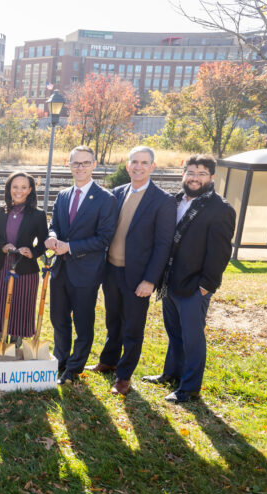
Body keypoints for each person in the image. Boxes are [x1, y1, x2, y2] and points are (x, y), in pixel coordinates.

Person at [144, 154, 235, 403]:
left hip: (195, 286)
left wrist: (206, 286)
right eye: (191, 173)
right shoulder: (175, 201)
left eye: (202, 174)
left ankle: (190, 388)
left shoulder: (221, 209)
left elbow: (220, 253)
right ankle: (171, 373)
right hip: (170, 281)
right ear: (183, 174)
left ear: (212, 177)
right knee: (174, 333)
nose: (195, 178)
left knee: (192, 338)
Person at [86, 146, 176, 395]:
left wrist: (150, 280)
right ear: (127, 166)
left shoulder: (163, 200)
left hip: (138, 276)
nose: (138, 167)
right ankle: (109, 361)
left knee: (133, 328)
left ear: (152, 167)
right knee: (113, 320)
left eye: (144, 163)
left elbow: (163, 245)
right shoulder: (117, 193)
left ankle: (123, 377)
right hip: (111, 270)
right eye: (134, 162)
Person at [45, 146, 118, 385]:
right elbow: (54, 225)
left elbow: (104, 238)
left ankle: (74, 367)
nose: (80, 167)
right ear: (69, 165)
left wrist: (70, 246)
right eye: (76, 163)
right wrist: (52, 237)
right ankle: (60, 359)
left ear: (94, 165)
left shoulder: (106, 199)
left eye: (85, 163)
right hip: (60, 270)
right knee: (58, 318)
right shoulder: (63, 195)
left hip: (86, 272)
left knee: (83, 322)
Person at [0, 171, 49, 344]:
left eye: (24, 187)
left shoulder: (38, 215)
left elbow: (44, 242)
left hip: (25, 270)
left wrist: (33, 252)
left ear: (30, 190)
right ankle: (0, 347)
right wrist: (3, 246)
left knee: (20, 310)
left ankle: (16, 348)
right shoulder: (0, 213)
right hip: (2, 268)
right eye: (15, 187)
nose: (19, 191)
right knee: (1, 309)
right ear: (9, 189)